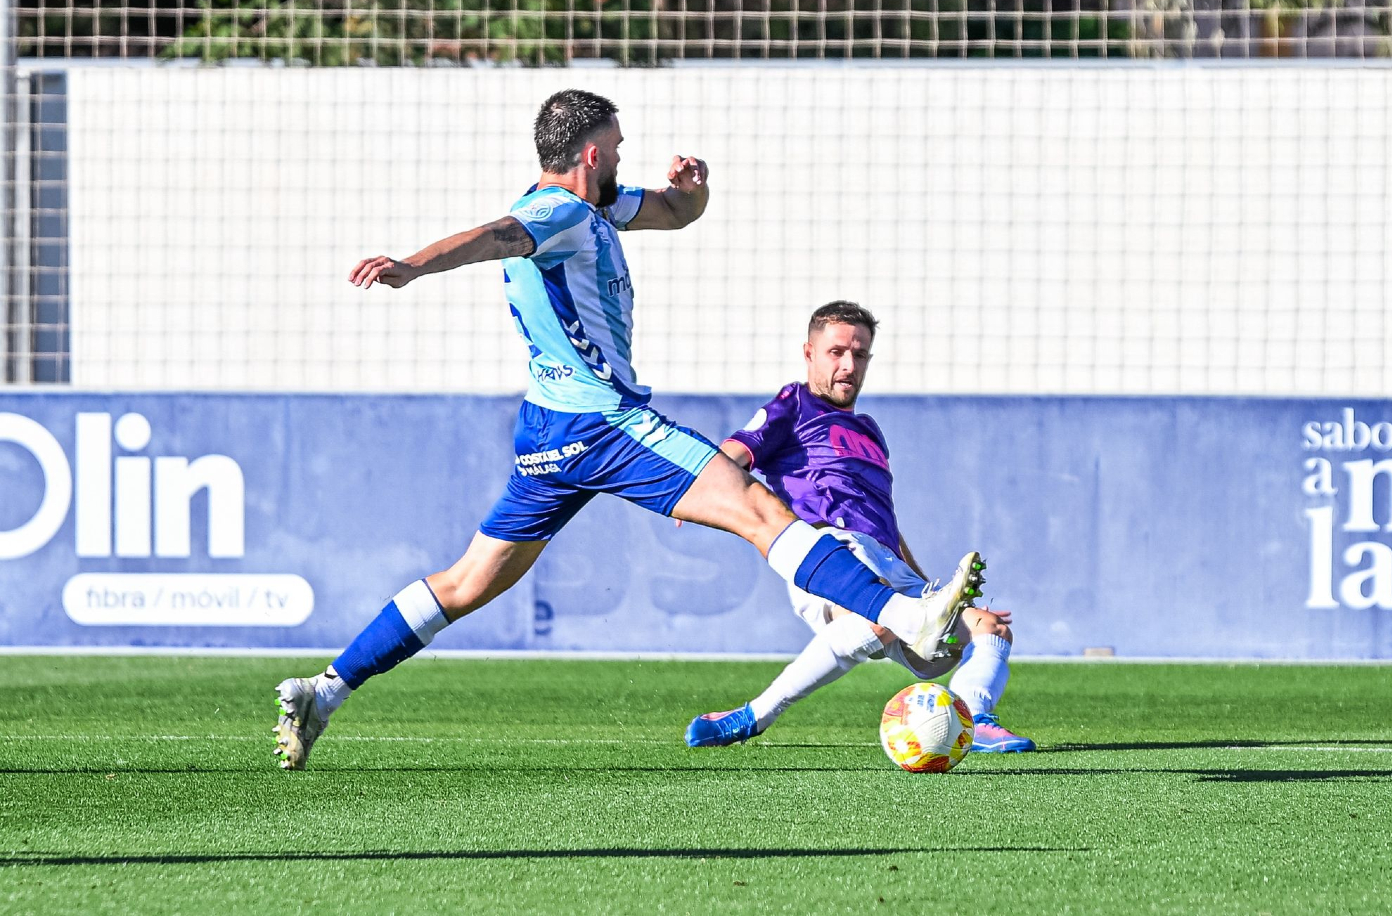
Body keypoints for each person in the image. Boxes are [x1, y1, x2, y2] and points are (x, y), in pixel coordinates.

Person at [271, 90, 987, 770]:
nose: (622, 159)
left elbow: (677, 212)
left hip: (547, 432)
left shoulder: (598, 212)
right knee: (760, 510)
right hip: (606, 422)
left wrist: (693, 189)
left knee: (463, 585)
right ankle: (904, 614)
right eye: (615, 148)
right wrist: (410, 267)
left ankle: (325, 690)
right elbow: (497, 235)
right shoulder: (559, 212)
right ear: (588, 154)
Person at [684, 301, 1034, 753]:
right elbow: (735, 452)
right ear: (809, 353)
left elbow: (885, 522)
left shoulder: (869, 431)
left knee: (989, 628)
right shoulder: (793, 404)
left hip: (888, 562)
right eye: (836, 353)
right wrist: (699, 491)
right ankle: (754, 716)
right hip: (829, 552)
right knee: (877, 620)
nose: (849, 365)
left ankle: (974, 721)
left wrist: (928, 589)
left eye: (860, 354)